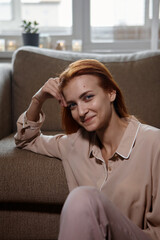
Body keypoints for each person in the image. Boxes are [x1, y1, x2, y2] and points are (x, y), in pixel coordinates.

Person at [14, 59, 160, 240]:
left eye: (88, 97)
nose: (81, 111)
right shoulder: (73, 145)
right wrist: (38, 98)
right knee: (81, 199)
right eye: (72, 105)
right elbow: (25, 139)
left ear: (110, 92)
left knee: (81, 198)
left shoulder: (154, 143)